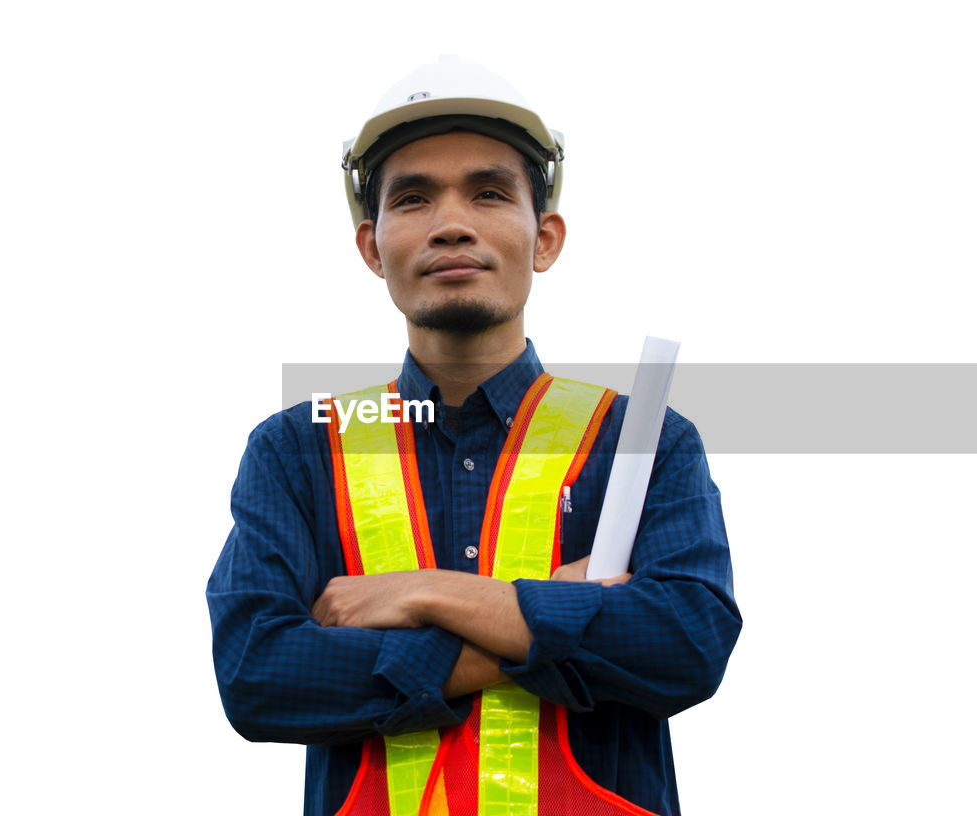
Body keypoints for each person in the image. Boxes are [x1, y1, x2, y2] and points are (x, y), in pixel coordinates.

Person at [207, 56, 741, 816]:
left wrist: (426, 593)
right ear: (372, 246)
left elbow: (685, 645)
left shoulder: (643, 439)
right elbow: (260, 674)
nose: (451, 222)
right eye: (414, 198)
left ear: (545, 238)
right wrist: (547, 619)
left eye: (488, 193)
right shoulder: (299, 448)